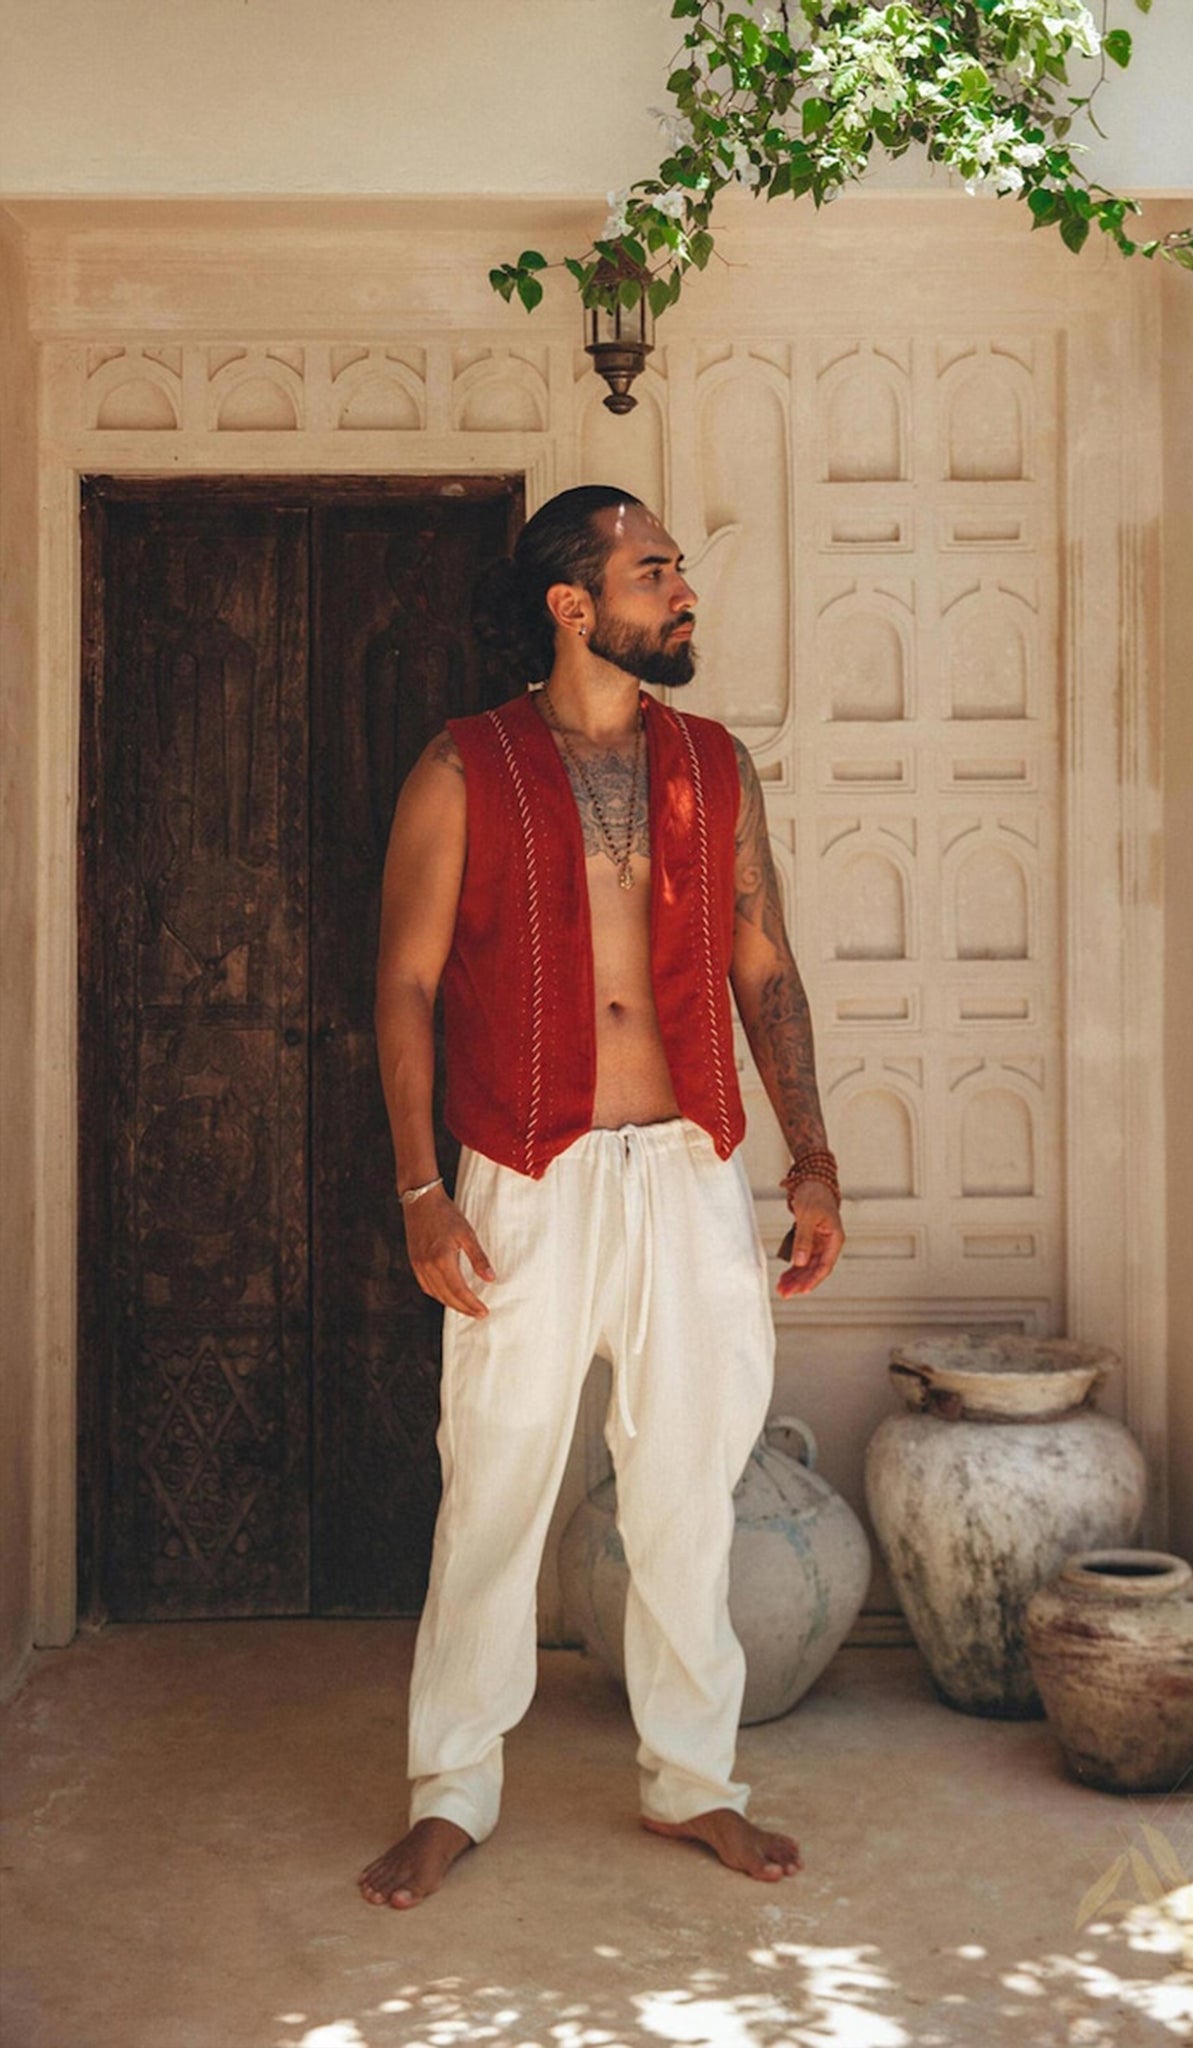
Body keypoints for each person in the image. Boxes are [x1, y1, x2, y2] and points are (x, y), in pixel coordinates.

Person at [358, 486, 845, 1909]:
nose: (681, 594)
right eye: (654, 573)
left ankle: (692, 1785)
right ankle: (451, 1790)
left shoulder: (712, 763)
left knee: (689, 1488)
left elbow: (765, 966)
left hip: (691, 1170)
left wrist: (807, 1160)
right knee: (496, 1487)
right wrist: (417, 1192)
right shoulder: (467, 768)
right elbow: (402, 982)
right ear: (574, 606)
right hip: (524, 1172)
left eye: (679, 570)